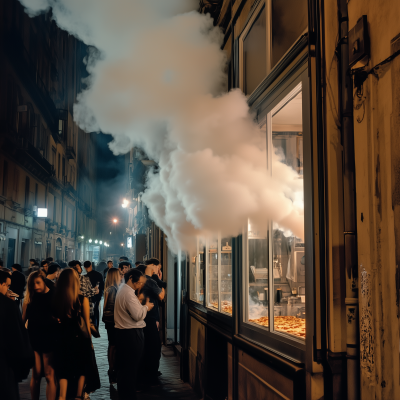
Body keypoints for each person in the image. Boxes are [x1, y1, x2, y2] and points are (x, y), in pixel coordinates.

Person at [53, 268, 94, 400]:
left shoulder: (55, 299)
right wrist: (90, 342)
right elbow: (87, 324)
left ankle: (62, 396)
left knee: (63, 372)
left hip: (61, 338)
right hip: (80, 340)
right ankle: (78, 395)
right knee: (82, 369)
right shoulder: (82, 299)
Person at [114, 269, 153, 400]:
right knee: (130, 369)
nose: (140, 285)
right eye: (138, 283)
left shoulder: (124, 290)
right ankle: (128, 396)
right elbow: (137, 315)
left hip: (123, 334)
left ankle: (124, 394)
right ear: (131, 278)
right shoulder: (128, 294)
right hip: (130, 335)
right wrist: (146, 307)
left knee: (124, 368)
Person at [22, 270, 57, 400]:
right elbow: (23, 319)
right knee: (36, 374)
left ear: (44, 281)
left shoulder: (53, 295)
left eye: (38, 283)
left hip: (50, 338)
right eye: (32, 284)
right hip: (34, 338)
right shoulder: (30, 297)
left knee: (49, 375)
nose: (35, 286)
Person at [0, 270, 33, 400]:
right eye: (7, 286)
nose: (8, 289)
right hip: (3, 365)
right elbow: (17, 338)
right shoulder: (7, 305)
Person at [136, 260, 165, 385]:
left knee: (145, 346)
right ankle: (150, 375)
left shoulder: (141, 282)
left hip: (144, 317)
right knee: (153, 347)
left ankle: (145, 374)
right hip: (150, 316)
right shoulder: (150, 281)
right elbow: (161, 296)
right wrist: (160, 281)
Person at [102, 268, 121, 384]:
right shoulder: (114, 289)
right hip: (114, 321)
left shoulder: (108, 288)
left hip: (109, 321)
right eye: (119, 275)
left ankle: (112, 369)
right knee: (114, 345)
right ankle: (112, 370)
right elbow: (115, 307)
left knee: (112, 345)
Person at [83, 260, 104, 330]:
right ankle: (96, 326)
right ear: (91, 265)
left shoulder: (84, 277)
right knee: (96, 311)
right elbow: (102, 286)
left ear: (84, 267)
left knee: (88, 312)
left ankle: (89, 325)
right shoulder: (99, 274)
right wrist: (100, 294)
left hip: (87, 297)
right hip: (97, 297)